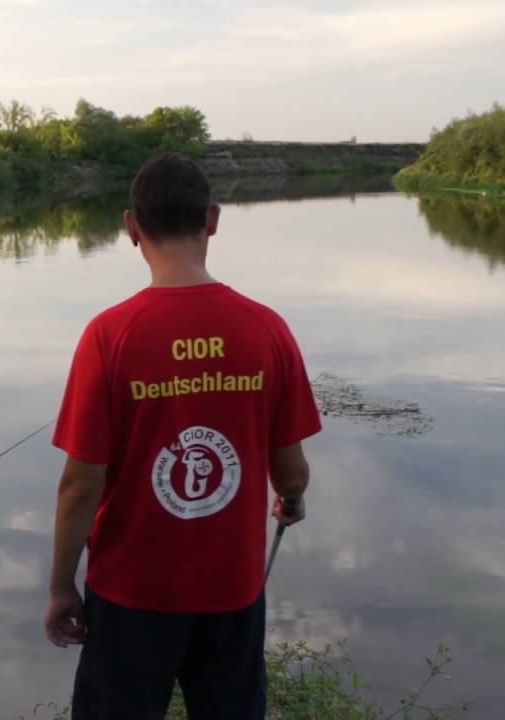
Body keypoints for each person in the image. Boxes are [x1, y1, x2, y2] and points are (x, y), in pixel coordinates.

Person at [44, 153, 320, 719]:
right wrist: (290, 501)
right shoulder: (267, 328)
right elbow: (290, 472)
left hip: (128, 596)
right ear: (212, 219)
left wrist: (60, 586)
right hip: (232, 593)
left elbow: (79, 487)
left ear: (130, 226)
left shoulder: (108, 335)